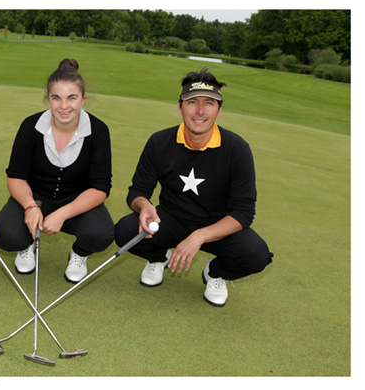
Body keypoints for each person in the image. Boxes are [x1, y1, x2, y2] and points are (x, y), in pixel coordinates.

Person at [114, 67, 273, 307]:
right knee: (125, 230)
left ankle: (216, 273)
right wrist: (144, 205)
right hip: (170, 221)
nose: (200, 111)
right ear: (179, 107)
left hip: (217, 227)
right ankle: (159, 258)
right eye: (192, 103)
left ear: (219, 110)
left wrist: (199, 236)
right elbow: (137, 191)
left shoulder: (237, 150)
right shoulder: (159, 142)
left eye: (209, 103)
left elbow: (244, 212)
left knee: (256, 254)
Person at [0, 58, 114, 283]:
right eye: (55, 97)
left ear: (83, 98)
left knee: (101, 234)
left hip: (76, 202)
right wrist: (30, 206)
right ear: (47, 98)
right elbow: (16, 177)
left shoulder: (98, 131)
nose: (63, 106)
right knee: (6, 235)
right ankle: (26, 245)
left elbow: (100, 188)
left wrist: (61, 214)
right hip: (34, 198)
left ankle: (79, 254)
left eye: (72, 98)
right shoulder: (30, 126)